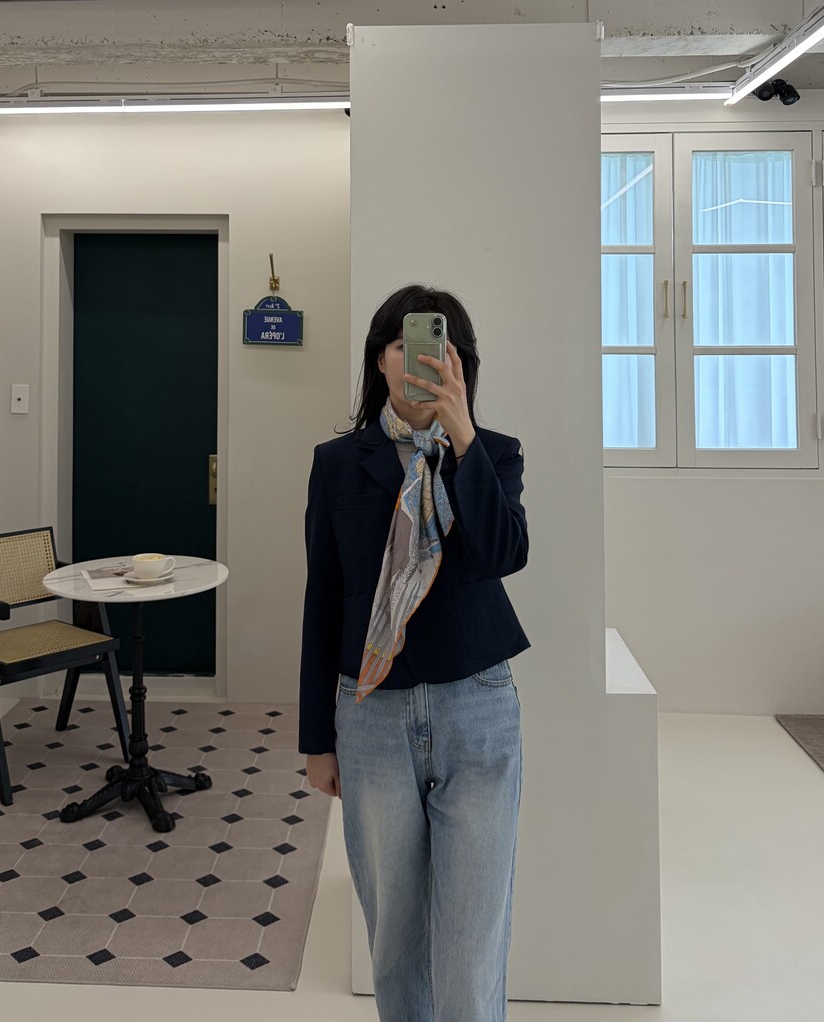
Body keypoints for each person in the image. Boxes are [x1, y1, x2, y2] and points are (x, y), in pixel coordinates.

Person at [299, 283, 530, 1022]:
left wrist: (462, 439)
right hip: (370, 715)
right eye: (404, 345)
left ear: (460, 365)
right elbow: (323, 598)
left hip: (477, 706)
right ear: (380, 361)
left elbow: (503, 553)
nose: (421, 359)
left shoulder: (493, 455)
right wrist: (317, 740)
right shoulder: (338, 463)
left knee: (472, 941)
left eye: (438, 347)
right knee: (396, 938)